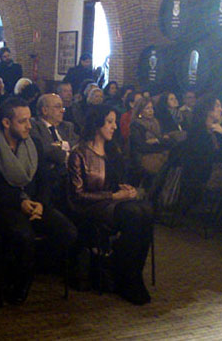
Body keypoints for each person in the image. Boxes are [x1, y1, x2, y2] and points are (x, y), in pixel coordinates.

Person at [0, 97, 77, 304]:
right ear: (6, 122)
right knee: (23, 235)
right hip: (5, 206)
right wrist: (19, 202)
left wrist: (41, 203)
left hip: (34, 203)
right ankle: (18, 282)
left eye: (29, 120)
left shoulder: (34, 144)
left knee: (68, 232)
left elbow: (44, 180)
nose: (29, 126)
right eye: (22, 121)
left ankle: (35, 267)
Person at [68, 104, 154, 304]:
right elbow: (77, 195)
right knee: (133, 213)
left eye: (114, 122)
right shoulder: (79, 153)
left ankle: (132, 273)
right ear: (97, 123)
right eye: (109, 122)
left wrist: (126, 189)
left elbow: (115, 182)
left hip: (112, 202)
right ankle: (127, 277)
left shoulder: (112, 150)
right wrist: (114, 196)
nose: (114, 126)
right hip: (90, 206)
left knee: (147, 210)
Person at [30, 93, 79, 210]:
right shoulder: (33, 125)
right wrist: (68, 155)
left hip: (71, 173)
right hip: (50, 176)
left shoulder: (67, 126)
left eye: (62, 107)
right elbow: (44, 149)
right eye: (58, 107)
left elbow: (78, 144)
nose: (62, 110)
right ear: (44, 110)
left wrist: (61, 144)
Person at [130, 97, 173, 176]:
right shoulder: (136, 126)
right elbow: (141, 146)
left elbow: (165, 138)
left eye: (151, 108)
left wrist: (157, 140)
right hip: (144, 156)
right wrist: (159, 142)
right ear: (140, 111)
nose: (151, 111)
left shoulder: (156, 122)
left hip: (160, 151)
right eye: (147, 108)